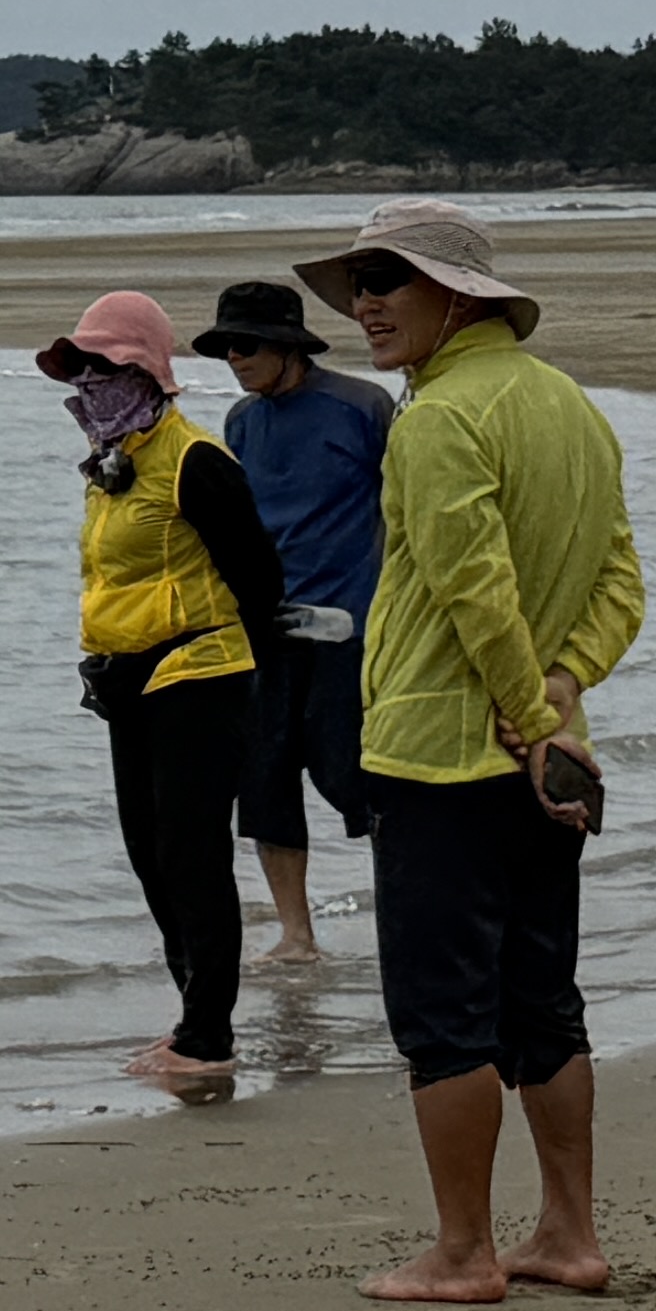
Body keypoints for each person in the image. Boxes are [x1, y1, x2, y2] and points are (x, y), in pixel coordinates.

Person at [293, 201, 644, 1307]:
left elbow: (470, 583)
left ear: (456, 296)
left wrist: (528, 713)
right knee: (543, 1000)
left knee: (444, 1016)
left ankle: (462, 1252)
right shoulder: (570, 406)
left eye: (386, 281)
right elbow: (621, 581)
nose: (364, 306)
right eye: (357, 284)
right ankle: (569, 1235)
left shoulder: (441, 418)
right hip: (550, 764)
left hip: (445, 762)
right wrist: (564, 688)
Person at [38, 290, 295, 1097]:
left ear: (148, 371)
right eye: (80, 368)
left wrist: (252, 679)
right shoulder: (110, 464)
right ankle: (193, 1016)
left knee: (192, 856)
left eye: (106, 365)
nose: (90, 381)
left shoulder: (196, 461)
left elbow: (260, 579)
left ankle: (209, 1036)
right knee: (150, 856)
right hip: (127, 680)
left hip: (200, 675)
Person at [192, 276, 392, 958]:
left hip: (349, 628)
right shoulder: (240, 423)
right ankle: (296, 936)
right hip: (264, 631)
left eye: (246, 345)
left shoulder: (364, 407)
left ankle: (405, 916)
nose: (234, 358)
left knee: (357, 778)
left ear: (288, 347)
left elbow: (407, 508)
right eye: (225, 347)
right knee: (265, 785)